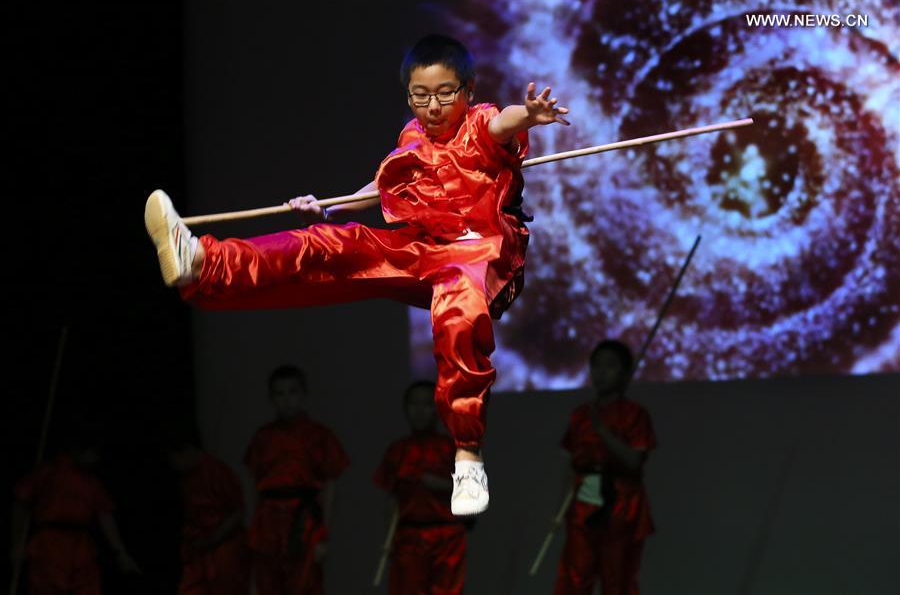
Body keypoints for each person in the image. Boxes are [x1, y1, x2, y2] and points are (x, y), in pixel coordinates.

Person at [144, 34, 571, 515]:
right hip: (424, 251)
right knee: (326, 245)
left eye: (445, 93)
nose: (432, 107)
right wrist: (329, 207)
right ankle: (203, 261)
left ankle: (468, 454)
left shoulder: (479, 123)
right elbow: (383, 186)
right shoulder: (413, 136)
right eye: (420, 95)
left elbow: (503, 123)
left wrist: (528, 115)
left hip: (483, 257)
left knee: (456, 308)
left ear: (468, 90)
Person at [553, 340, 656, 595]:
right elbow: (571, 466)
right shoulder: (580, 415)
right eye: (596, 366)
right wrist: (559, 512)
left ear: (625, 373)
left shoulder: (635, 414)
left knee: (616, 578)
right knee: (576, 576)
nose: (601, 372)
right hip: (583, 503)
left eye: (610, 366)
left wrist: (603, 432)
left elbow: (634, 461)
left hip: (622, 504)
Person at [244, 365, 349, 595]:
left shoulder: (319, 435)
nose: (286, 400)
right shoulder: (263, 437)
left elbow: (330, 486)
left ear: (303, 394)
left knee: (305, 585)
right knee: (268, 584)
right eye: (279, 394)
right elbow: (254, 487)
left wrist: (323, 534)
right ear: (271, 398)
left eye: (292, 392)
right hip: (268, 521)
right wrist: (254, 528)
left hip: (304, 521)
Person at [11, 434, 141, 595]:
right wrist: (17, 543)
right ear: (77, 450)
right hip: (50, 545)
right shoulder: (49, 472)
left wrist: (120, 552)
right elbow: (21, 502)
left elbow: (105, 514)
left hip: (81, 547)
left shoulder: (92, 482)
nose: (96, 458)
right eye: (93, 453)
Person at [374, 380, 471, 594]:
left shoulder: (452, 448)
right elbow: (392, 498)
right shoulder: (398, 450)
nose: (419, 411)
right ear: (405, 408)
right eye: (414, 404)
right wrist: (389, 537)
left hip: (447, 536)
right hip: (409, 538)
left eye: (427, 405)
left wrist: (441, 484)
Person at [164, 429, 250, 595]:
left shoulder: (217, 471)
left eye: (173, 458)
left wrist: (212, 540)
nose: (172, 464)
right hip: (197, 548)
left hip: (223, 547)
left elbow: (238, 512)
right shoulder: (185, 478)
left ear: (186, 450)